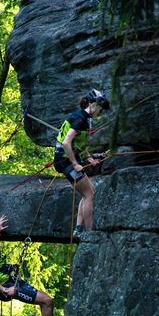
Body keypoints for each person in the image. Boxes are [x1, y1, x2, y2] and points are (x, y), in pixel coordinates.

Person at [53, 89, 110, 236]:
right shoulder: (80, 119)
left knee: (88, 192)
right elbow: (66, 143)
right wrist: (74, 163)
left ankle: (79, 229)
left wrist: (90, 159)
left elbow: (79, 145)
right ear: (94, 105)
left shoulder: (83, 118)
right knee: (89, 194)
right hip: (65, 161)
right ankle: (90, 232)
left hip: (66, 159)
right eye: (101, 110)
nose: (101, 113)